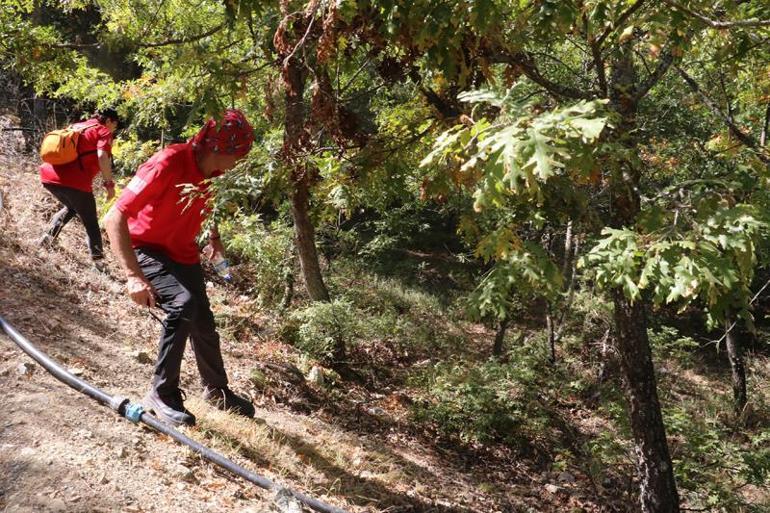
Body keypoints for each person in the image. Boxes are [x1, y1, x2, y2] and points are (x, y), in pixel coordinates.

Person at [105, 109, 255, 427]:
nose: (238, 164)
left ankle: (216, 391)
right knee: (182, 305)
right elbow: (114, 216)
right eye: (237, 156)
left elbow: (206, 209)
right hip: (145, 249)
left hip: (183, 254)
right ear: (218, 149)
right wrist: (133, 276)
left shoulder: (214, 175)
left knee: (203, 320)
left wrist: (214, 239)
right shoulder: (167, 162)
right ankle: (161, 394)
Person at [39, 108, 119, 271]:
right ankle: (99, 263)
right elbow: (102, 156)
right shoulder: (103, 130)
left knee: (72, 208)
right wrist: (109, 184)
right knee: (90, 221)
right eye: (115, 126)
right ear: (109, 121)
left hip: (49, 177)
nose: (114, 130)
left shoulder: (78, 126)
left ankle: (47, 237)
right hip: (74, 182)